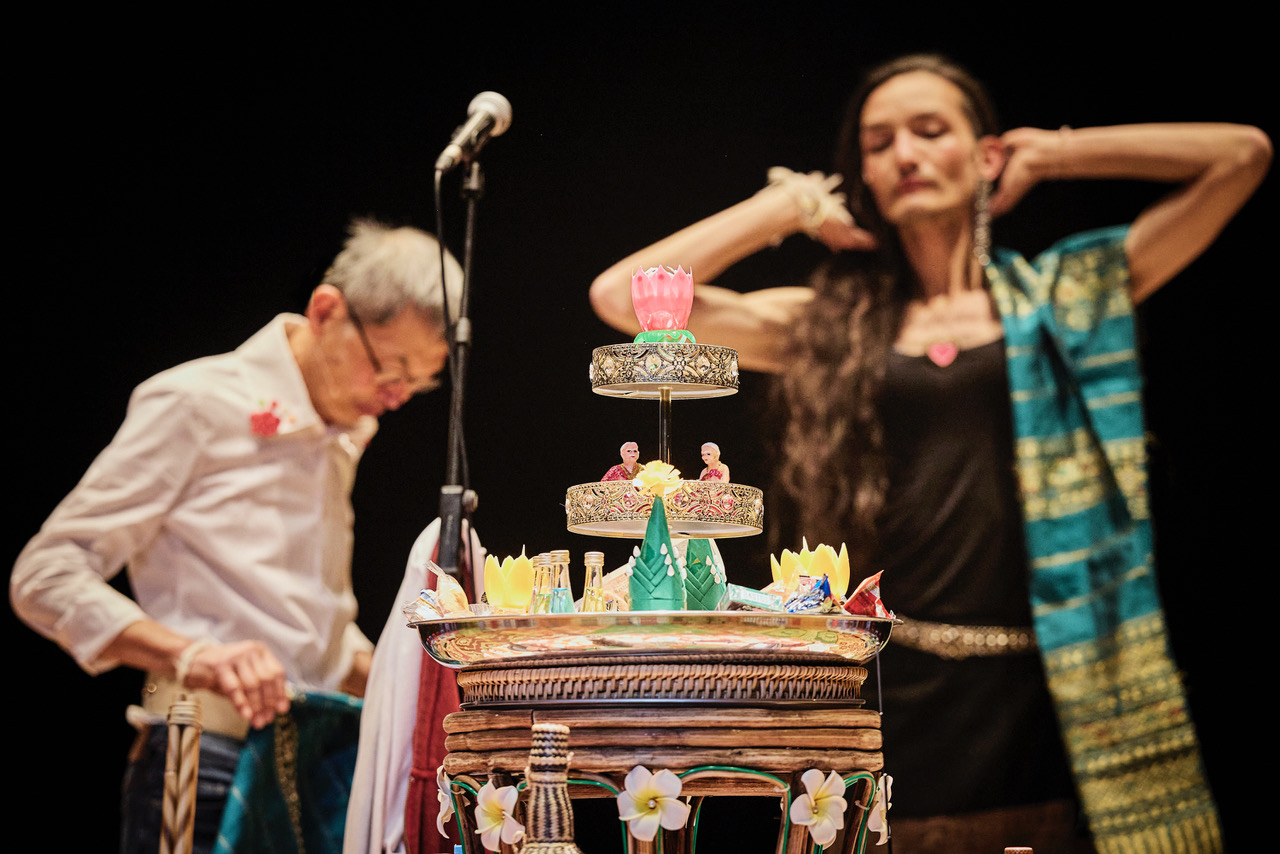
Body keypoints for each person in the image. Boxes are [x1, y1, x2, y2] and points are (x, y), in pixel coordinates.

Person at [590, 54, 1269, 853]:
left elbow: (1242, 155)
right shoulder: (833, 325)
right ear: (865, 178)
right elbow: (624, 296)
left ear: (985, 154)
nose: (906, 154)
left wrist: (1051, 153)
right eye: (879, 144)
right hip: (894, 688)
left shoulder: (1061, 300)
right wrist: (789, 204)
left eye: (931, 131)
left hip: (1050, 692)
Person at [11, 218, 461, 854]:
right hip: (205, 757)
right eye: (389, 369)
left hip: (315, 754)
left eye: (417, 383)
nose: (396, 398)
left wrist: (430, 674)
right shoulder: (196, 402)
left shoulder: (342, 433)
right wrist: (196, 656)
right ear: (325, 310)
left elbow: (310, 634)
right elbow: (46, 573)